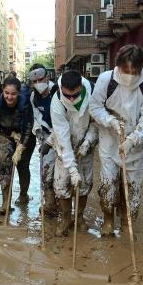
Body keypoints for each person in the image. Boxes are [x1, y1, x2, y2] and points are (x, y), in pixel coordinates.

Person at [89, 44, 143, 237]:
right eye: (125, 70)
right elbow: (94, 107)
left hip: (135, 144)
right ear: (117, 65)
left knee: (133, 188)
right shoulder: (106, 79)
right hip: (110, 139)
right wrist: (110, 121)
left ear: (140, 68)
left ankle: (128, 222)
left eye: (133, 71)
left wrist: (132, 140)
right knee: (108, 184)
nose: (129, 75)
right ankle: (108, 219)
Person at [50, 70, 98, 236]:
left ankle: (79, 216)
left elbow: (96, 123)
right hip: (64, 146)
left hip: (86, 144)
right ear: (61, 88)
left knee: (84, 184)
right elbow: (62, 136)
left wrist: (88, 142)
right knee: (62, 184)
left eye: (75, 95)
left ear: (81, 87)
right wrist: (72, 169)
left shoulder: (93, 93)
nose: (71, 99)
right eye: (67, 95)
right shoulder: (56, 101)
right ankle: (65, 218)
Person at [0, 77, 34, 214]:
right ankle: (6, 202)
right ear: (3, 91)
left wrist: (21, 147)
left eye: (13, 94)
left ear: (18, 93)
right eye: (6, 93)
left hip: (25, 136)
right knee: (4, 165)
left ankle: (23, 195)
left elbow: (28, 126)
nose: (9, 97)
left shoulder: (25, 103)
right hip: (5, 133)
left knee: (22, 165)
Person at [28, 67, 59, 216]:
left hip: (64, 136)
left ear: (47, 77)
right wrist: (39, 131)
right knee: (46, 172)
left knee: (64, 174)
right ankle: (50, 204)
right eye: (34, 81)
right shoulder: (33, 96)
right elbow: (36, 117)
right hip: (46, 136)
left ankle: (66, 208)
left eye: (40, 80)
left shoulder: (58, 92)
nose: (38, 83)